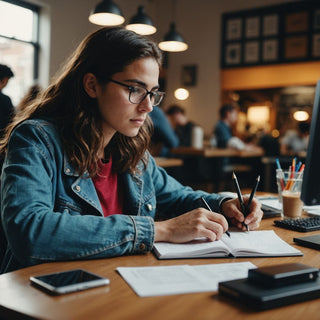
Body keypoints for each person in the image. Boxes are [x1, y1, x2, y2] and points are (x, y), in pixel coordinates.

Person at [0, 27, 262, 274]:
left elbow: (179, 196)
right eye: (135, 89)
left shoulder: (130, 150)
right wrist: (159, 230)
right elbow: (30, 231)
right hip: (45, 293)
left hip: (116, 283)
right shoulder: (37, 139)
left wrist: (225, 204)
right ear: (92, 85)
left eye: (153, 93)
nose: (148, 106)